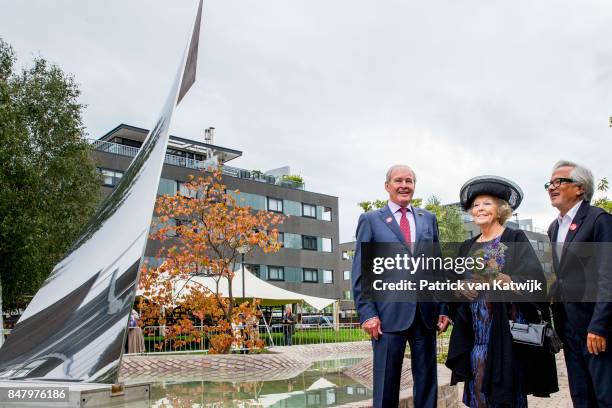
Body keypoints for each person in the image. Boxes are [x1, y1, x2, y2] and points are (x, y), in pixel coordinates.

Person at [446, 175, 558, 407]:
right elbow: (453, 286)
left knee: (506, 396)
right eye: (475, 205)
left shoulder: (514, 237)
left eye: (486, 203)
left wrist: (501, 278)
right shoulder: (467, 247)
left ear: (500, 209)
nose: (479, 209)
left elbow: (534, 282)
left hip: (507, 337)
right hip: (475, 336)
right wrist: (459, 287)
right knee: (478, 394)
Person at [351, 164, 450, 408]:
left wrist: (444, 308)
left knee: (427, 384)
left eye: (409, 181)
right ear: (387, 186)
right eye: (398, 180)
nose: (404, 185)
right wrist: (368, 313)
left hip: (425, 316)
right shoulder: (371, 220)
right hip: (386, 319)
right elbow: (361, 271)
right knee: (386, 386)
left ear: (414, 186)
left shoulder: (428, 219)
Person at [546, 160, 612, 407]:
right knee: (581, 395)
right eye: (548, 183)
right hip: (569, 327)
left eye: (558, 181)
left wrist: (599, 326)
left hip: (594, 328)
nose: (551, 187)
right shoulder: (554, 228)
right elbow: (563, 274)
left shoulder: (598, 220)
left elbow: (608, 276)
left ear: (580, 188)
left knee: (605, 395)